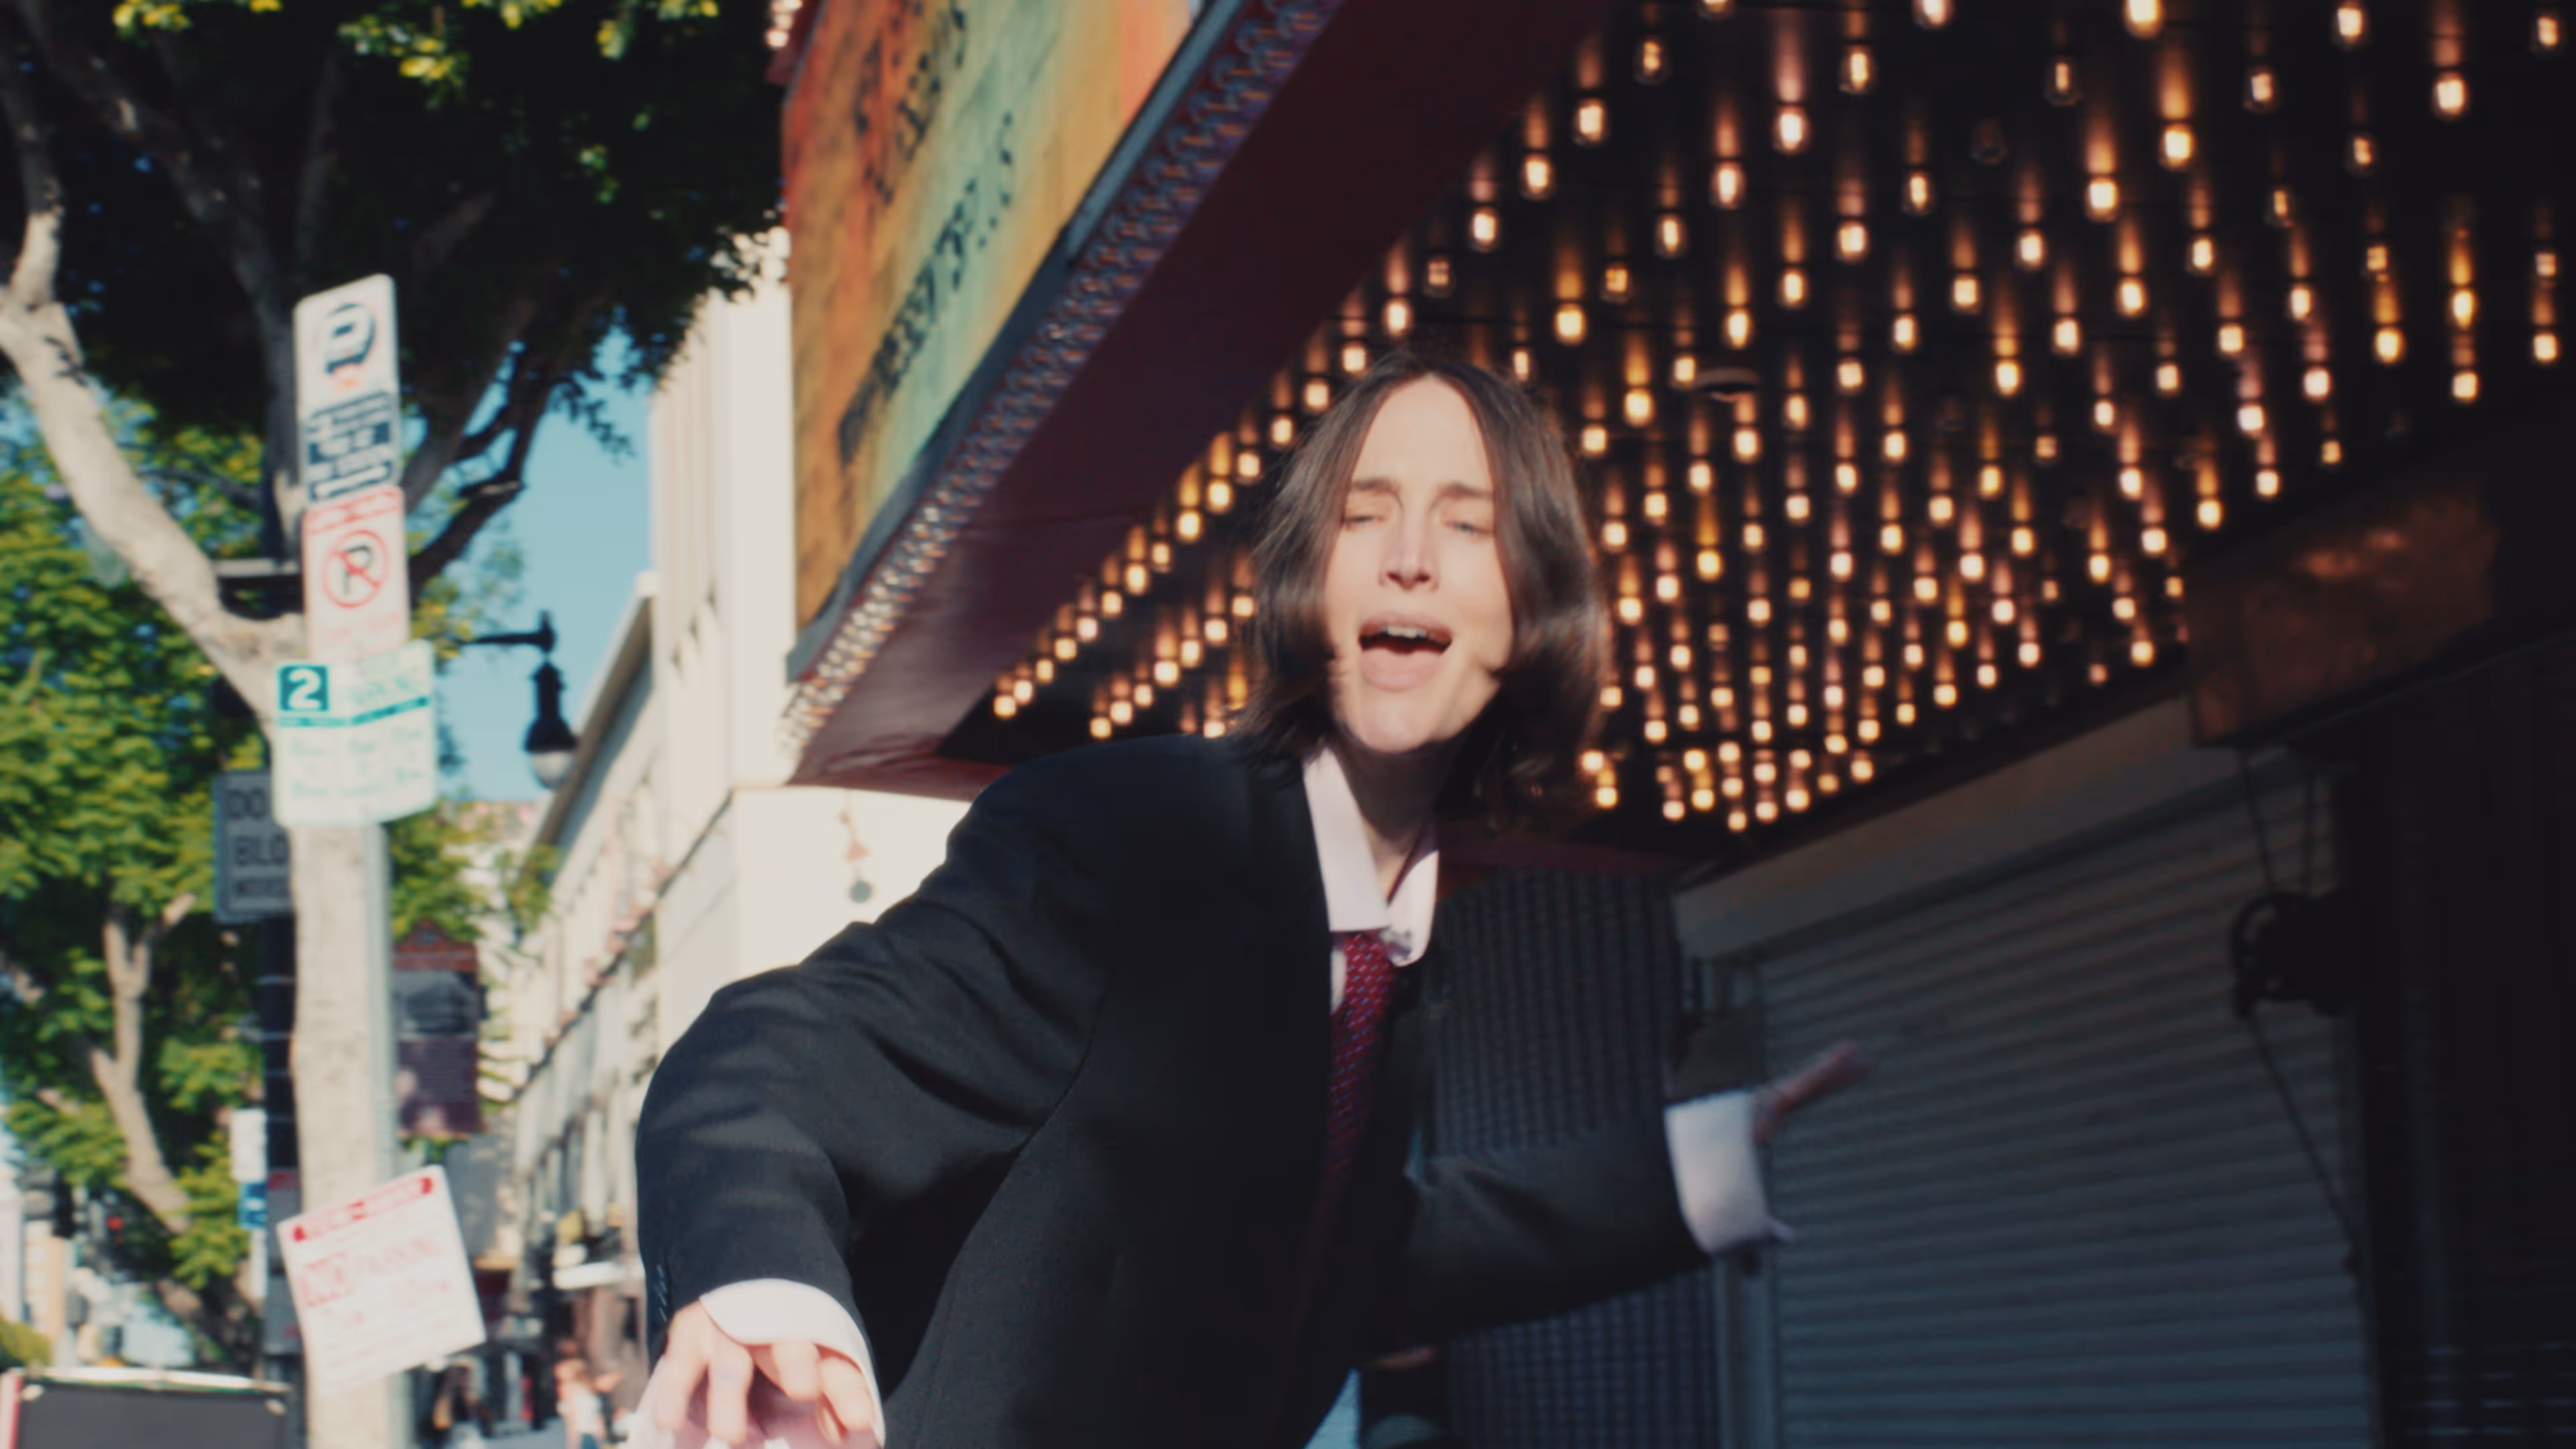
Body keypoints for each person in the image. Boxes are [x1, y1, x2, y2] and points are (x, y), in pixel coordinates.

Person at [633, 352, 1870, 1449]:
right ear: (1307, 585)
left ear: (1534, 608)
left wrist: (1699, 1164)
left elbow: (1361, 1259)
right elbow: (777, 1060)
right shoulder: (1128, 834)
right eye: (1362, 514)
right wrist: (764, 1290)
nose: (1407, 557)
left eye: (1469, 523)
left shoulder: (1399, 960)